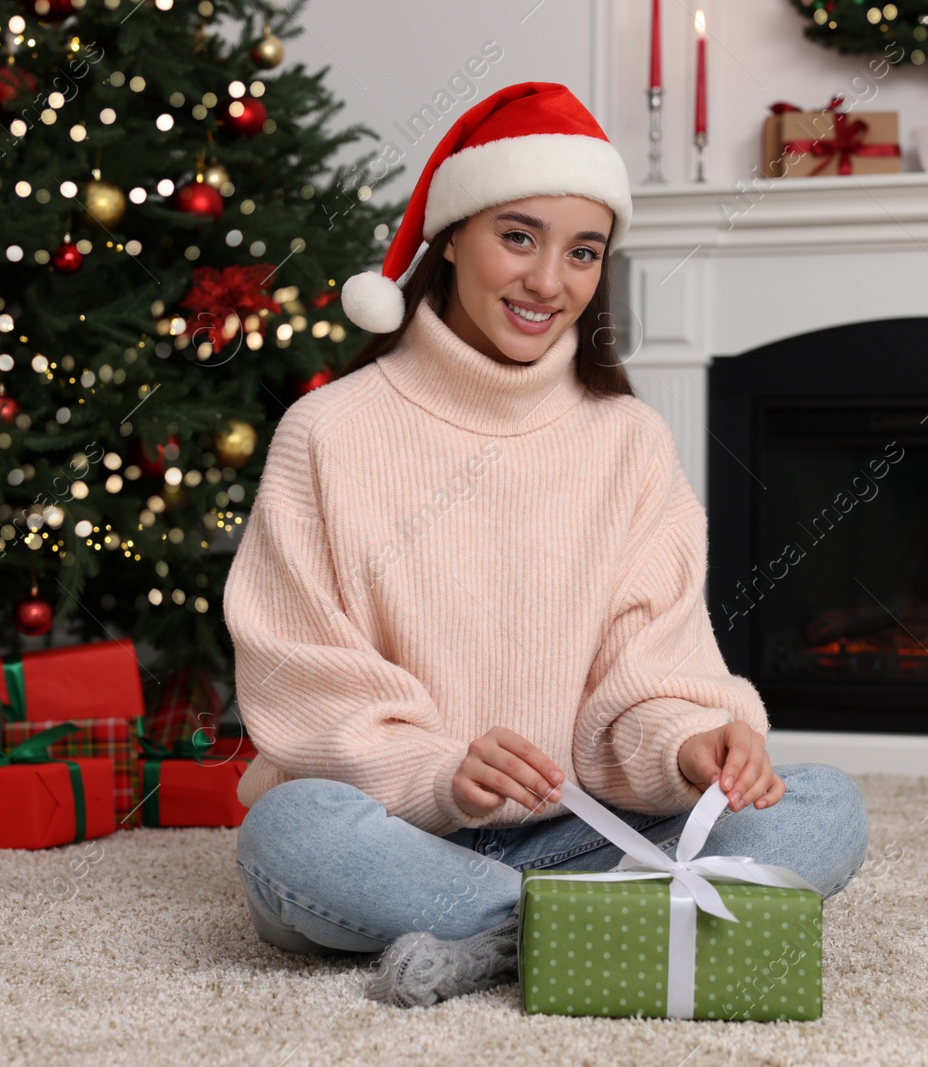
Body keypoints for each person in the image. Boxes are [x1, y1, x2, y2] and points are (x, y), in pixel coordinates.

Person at [223, 82, 869, 1009]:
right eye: (517, 237)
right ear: (451, 236)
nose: (548, 282)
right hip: (401, 841)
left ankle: (502, 939)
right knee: (289, 832)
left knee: (824, 805)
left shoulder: (629, 439)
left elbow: (650, 669)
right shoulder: (328, 433)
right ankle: (611, 926)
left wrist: (693, 747)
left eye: (583, 253)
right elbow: (301, 678)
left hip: (591, 831)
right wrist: (440, 770)